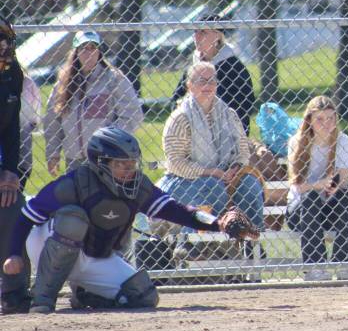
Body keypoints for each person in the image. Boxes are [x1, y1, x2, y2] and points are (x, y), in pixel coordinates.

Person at [2, 127, 257, 313]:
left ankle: (86, 292)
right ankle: (43, 299)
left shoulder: (139, 187)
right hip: (46, 245)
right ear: (100, 163)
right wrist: (14, 254)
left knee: (143, 296)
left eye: (132, 164)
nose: (129, 170)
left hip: (93, 255)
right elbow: (26, 217)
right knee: (73, 219)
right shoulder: (74, 183)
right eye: (121, 165)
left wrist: (218, 223)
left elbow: (177, 210)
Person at [159, 62, 264, 231]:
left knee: (250, 185)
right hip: (183, 182)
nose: (207, 85)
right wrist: (211, 173)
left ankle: (251, 242)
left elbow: (242, 152)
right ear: (189, 85)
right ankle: (196, 244)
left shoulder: (229, 114)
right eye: (201, 81)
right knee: (212, 187)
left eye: (212, 80)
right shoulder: (180, 118)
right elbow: (175, 163)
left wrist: (235, 168)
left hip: (225, 177)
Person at [43, 31, 143, 176]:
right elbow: (52, 121)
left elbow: (133, 115)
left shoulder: (114, 79)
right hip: (74, 160)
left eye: (93, 47)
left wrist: (108, 141)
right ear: (75, 52)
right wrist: (53, 153)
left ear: (99, 52)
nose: (89, 52)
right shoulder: (63, 84)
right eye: (83, 47)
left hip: (107, 159)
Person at [286, 96, 348, 281]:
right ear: (309, 120)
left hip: (329, 206)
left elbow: (344, 176)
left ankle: (345, 263)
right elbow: (298, 186)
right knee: (311, 197)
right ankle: (316, 267)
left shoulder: (342, 140)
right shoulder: (298, 142)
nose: (326, 123)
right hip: (301, 211)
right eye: (320, 119)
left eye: (330, 118)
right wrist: (318, 185)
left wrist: (333, 187)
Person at [172, 14, 256, 134]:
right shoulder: (195, 64)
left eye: (203, 32)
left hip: (227, 134)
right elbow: (176, 98)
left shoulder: (231, 66)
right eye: (195, 31)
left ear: (217, 36)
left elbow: (244, 105)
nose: (196, 36)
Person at [0, 19, 31, 314]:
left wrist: (10, 171)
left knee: (13, 204)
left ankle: (14, 290)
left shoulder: (11, 74)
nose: (2, 44)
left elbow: (11, 131)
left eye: (6, 38)